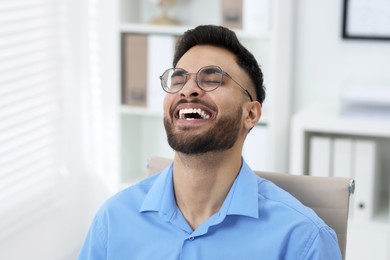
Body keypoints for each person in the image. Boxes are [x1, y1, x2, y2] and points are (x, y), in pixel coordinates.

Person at [78, 25, 341, 259]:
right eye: (178, 79)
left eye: (212, 79)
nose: (187, 89)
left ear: (250, 114)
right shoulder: (114, 220)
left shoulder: (302, 241)